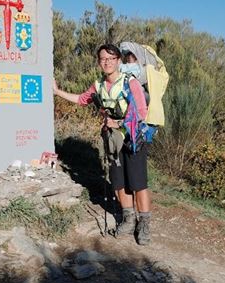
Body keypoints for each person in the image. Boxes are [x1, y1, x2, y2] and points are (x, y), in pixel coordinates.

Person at [53, 44, 152, 245]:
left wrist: (118, 123)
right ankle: (128, 218)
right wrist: (57, 92)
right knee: (119, 182)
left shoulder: (129, 83)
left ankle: (144, 224)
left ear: (118, 61)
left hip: (133, 138)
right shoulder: (98, 85)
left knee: (138, 183)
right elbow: (82, 99)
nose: (106, 62)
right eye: (102, 59)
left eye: (111, 58)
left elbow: (142, 112)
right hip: (112, 140)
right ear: (99, 62)